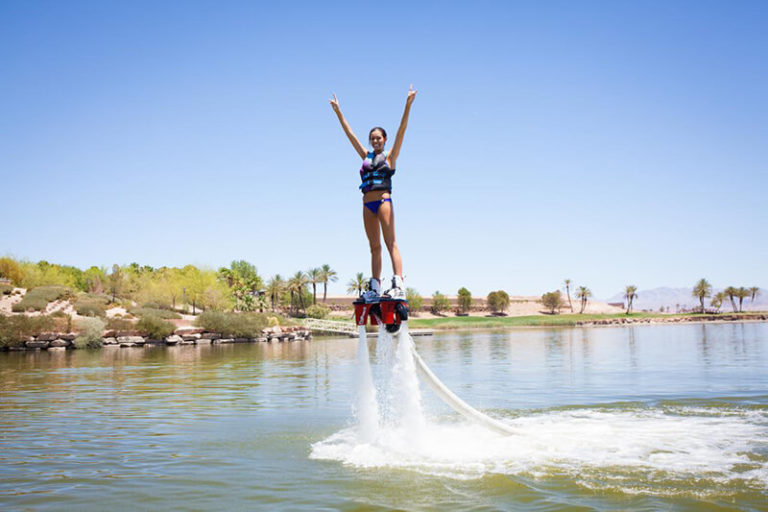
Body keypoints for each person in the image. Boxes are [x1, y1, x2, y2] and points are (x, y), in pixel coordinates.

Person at [330, 86, 417, 301]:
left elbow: (401, 130)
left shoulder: (390, 157)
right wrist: (339, 113)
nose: (375, 141)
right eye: (372, 138)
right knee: (374, 247)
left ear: (385, 140)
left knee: (390, 243)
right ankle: (375, 288)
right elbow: (349, 135)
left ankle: (398, 283)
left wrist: (407, 106)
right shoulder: (365, 155)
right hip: (366, 205)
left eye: (379, 138)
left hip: (383, 201)